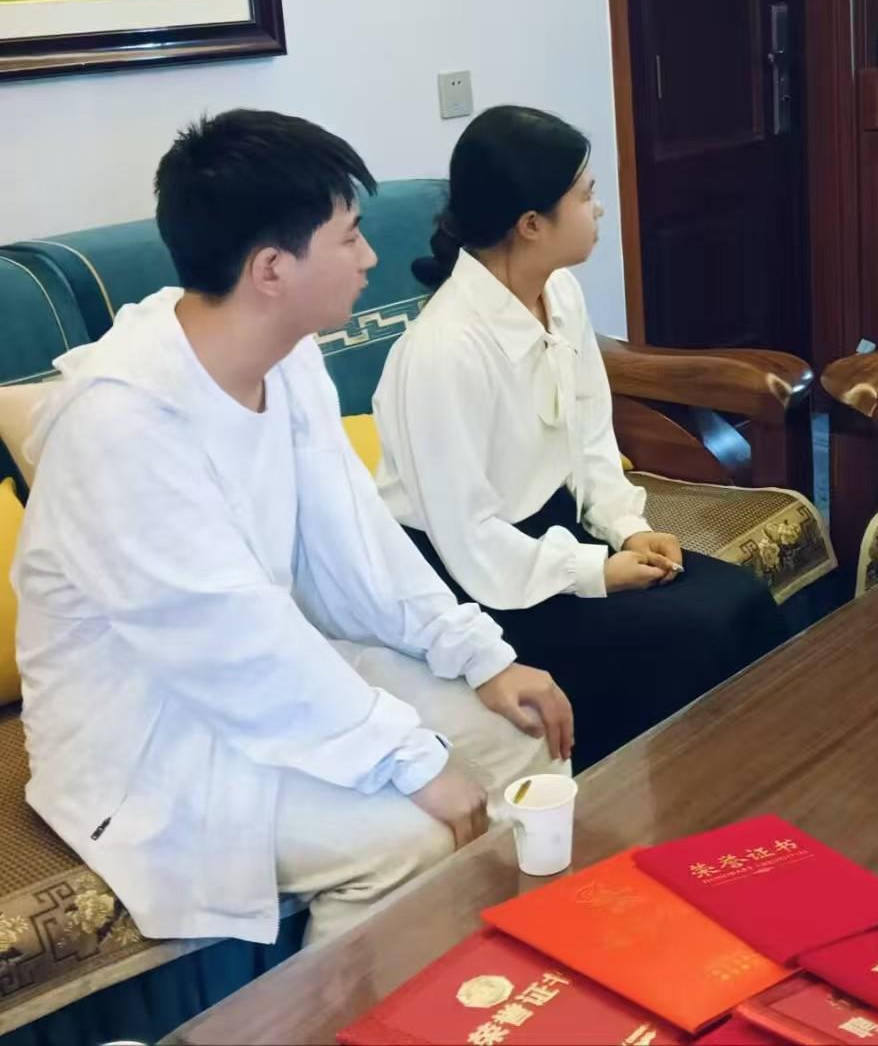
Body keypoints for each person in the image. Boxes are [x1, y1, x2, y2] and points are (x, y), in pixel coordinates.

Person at [13, 110, 573, 946]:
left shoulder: (288, 357)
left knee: (522, 738)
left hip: (273, 672)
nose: (370, 257)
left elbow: (357, 546)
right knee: (409, 836)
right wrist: (407, 759)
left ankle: (498, 982)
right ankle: (347, 1008)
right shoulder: (122, 426)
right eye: (349, 237)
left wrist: (477, 655)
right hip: (150, 731)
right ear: (272, 268)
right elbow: (224, 638)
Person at [372, 106, 785, 767]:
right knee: (692, 635)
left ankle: (763, 792)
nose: (599, 210)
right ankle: (655, 802)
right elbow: (469, 538)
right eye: (586, 196)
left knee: (742, 600)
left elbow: (590, 438)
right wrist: (594, 571)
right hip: (470, 574)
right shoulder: (442, 351)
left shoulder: (559, 293)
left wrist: (626, 528)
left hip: (550, 533)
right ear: (531, 224)